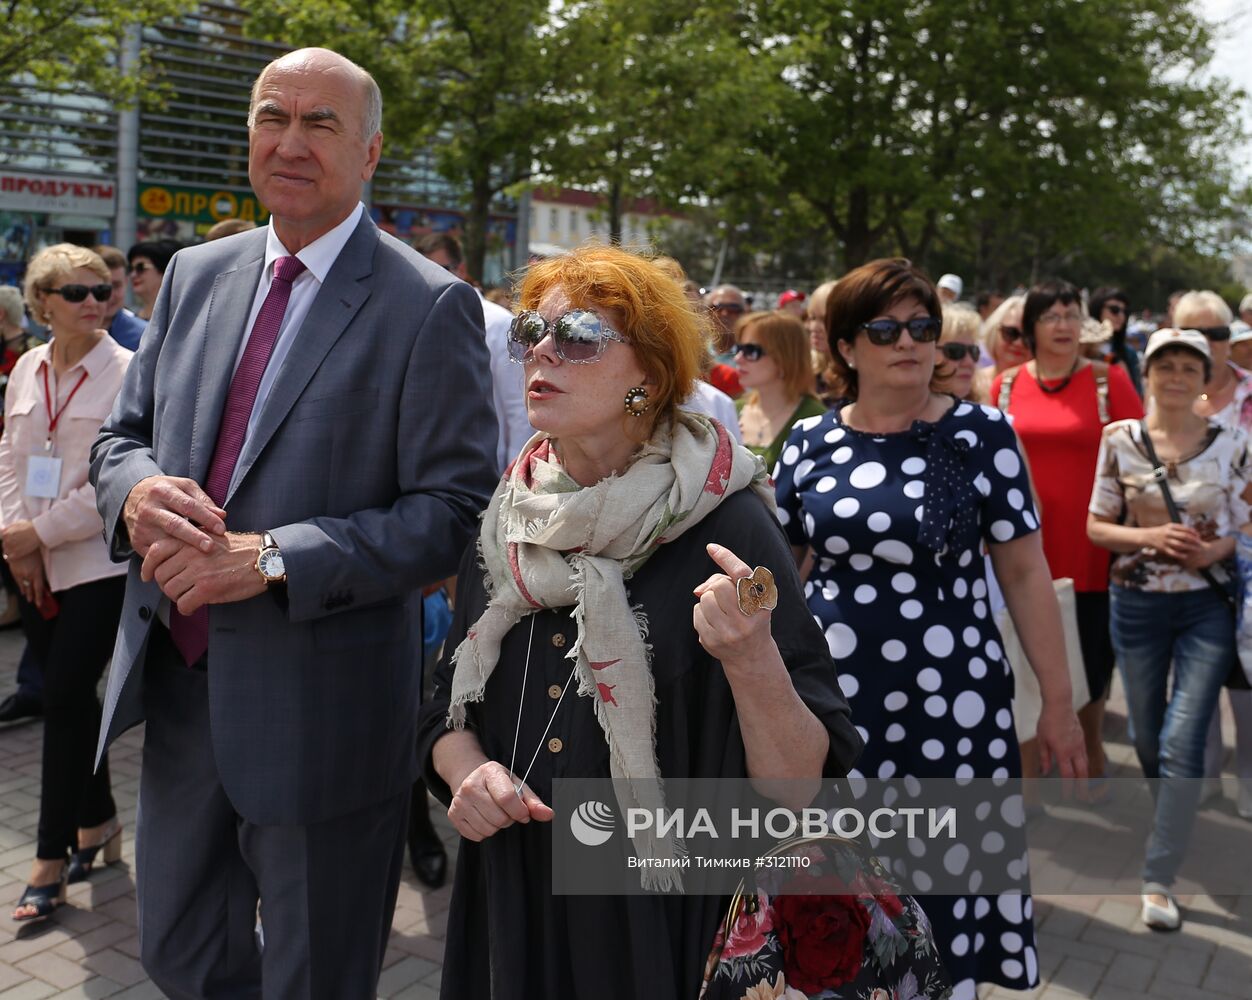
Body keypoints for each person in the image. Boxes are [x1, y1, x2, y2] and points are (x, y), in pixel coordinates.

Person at [89, 48, 498, 997]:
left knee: (316, 973)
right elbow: (123, 436)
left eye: (322, 124)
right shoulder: (195, 272)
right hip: (182, 688)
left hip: (325, 710)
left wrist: (272, 558)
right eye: (274, 117)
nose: (291, 142)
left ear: (370, 152)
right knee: (179, 953)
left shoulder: (430, 305)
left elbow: (454, 513)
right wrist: (138, 490)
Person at [417, 245, 862, 998]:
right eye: (530, 333)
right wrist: (467, 777)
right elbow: (442, 708)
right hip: (515, 891)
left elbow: (801, 788)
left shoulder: (732, 529)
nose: (541, 354)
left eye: (580, 336)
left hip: (668, 913)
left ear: (647, 380)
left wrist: (752, 660)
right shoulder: (509, 518)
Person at [775, 258, 1086, 999]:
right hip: (837, 704)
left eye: (923, 327)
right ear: (846, 347)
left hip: (956, 703)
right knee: (842, 886)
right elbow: (781, 579)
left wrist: (1059, 702)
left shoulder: (982, 434)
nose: (909, 342)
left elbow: (1023, 573)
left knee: (943, 890)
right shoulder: (810, 442)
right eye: (885, 329)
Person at [1087, 328, 1250, 929]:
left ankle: (1159, 874)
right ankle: (1174, 818)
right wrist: (1150, 537)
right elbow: (1098, 527)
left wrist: (1217, 551)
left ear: (1206, 378)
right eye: (1166, 365)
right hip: (1135, 603)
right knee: (1150, 740)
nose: (1177, 376)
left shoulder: (1235, 443)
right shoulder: (1120, 440)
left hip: (1206, 606)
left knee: (1183, 741)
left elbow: (1248, 524)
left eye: (1190, 366)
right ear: (1148, 373)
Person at [2, 245, 133, 921]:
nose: (93, 301)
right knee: (74, 702)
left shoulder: (126, 372)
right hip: (32, 562)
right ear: (42, 302)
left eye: (99, 290)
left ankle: (48, 858)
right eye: (75, 292)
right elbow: (9, 455)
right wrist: (12, 536)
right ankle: (101, 821)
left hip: (95, 568)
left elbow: (113, 484)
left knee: (59, 699)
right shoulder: (26, 367)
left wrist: (37, 535)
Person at [991, 281, 1143, 796]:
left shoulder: (1108, 379)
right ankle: (1033, 762)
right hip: (1022, 545)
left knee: (1092, 655)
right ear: (1032, 326)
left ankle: (1088, 751)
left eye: (1071, 315)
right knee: (1022, 649)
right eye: (1052, 316)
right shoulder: (1007, 384)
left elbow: (1138, 456)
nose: (1063, 325)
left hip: (1090, 543)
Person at [1173, 290, 1252, 818]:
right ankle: (1197, 771)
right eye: (1194, 336)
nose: (1209, 346)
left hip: (1245, 553)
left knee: (1247, 677)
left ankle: (1245, 772)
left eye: (1218, 334)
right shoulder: (1165, 395)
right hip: (1183, 560)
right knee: (1192, 669)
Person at [415, 231, 531, 474]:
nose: (430, 278)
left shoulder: (499, 324)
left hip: (488, 471)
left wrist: (514, 474)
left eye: (441, 268)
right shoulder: (413, 320)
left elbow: (519, 406)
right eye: (420, 270)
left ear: (461, 269)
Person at [732, 310, 825, 470]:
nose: (738, 358)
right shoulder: (732, 409)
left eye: (751, 351)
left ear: (784, 357)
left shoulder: (816, 419)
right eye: (738, 348)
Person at [1088, 286, 1143, 396]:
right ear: (1097, 309)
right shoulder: (1080, 349)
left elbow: (1137, 394)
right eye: (1115, 310)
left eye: (1125, 312)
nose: (1121, 316)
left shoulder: (1128, 354)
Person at [975, 294, 1029, 402]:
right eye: (1010, 333)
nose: (1019, 343)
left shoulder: (1046, 389)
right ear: (994, 332)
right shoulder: (970, 383)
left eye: (1028, 336)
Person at [93, 245, 147, 351]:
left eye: (116, 285)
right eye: (101, 287)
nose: (110, 295)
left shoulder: (145, 337)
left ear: (126, 283)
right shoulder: (65, 333)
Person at [934, 301, 982, 402]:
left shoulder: (987, 415)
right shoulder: (898, 414)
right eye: (955, 351)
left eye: (973, 351)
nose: (969, 362)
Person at [704, 284, 746, 397]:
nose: (725, 314)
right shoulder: (694, 351)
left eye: (733, 309)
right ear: (707, 312)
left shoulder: (754, 356)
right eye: (718, 307)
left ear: (743, 314)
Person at [126, 239, 181, 320]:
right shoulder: (129, 319)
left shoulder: (177, 318)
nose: (133, 275)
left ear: (165, 270)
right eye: (130, 269)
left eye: (140, 268)